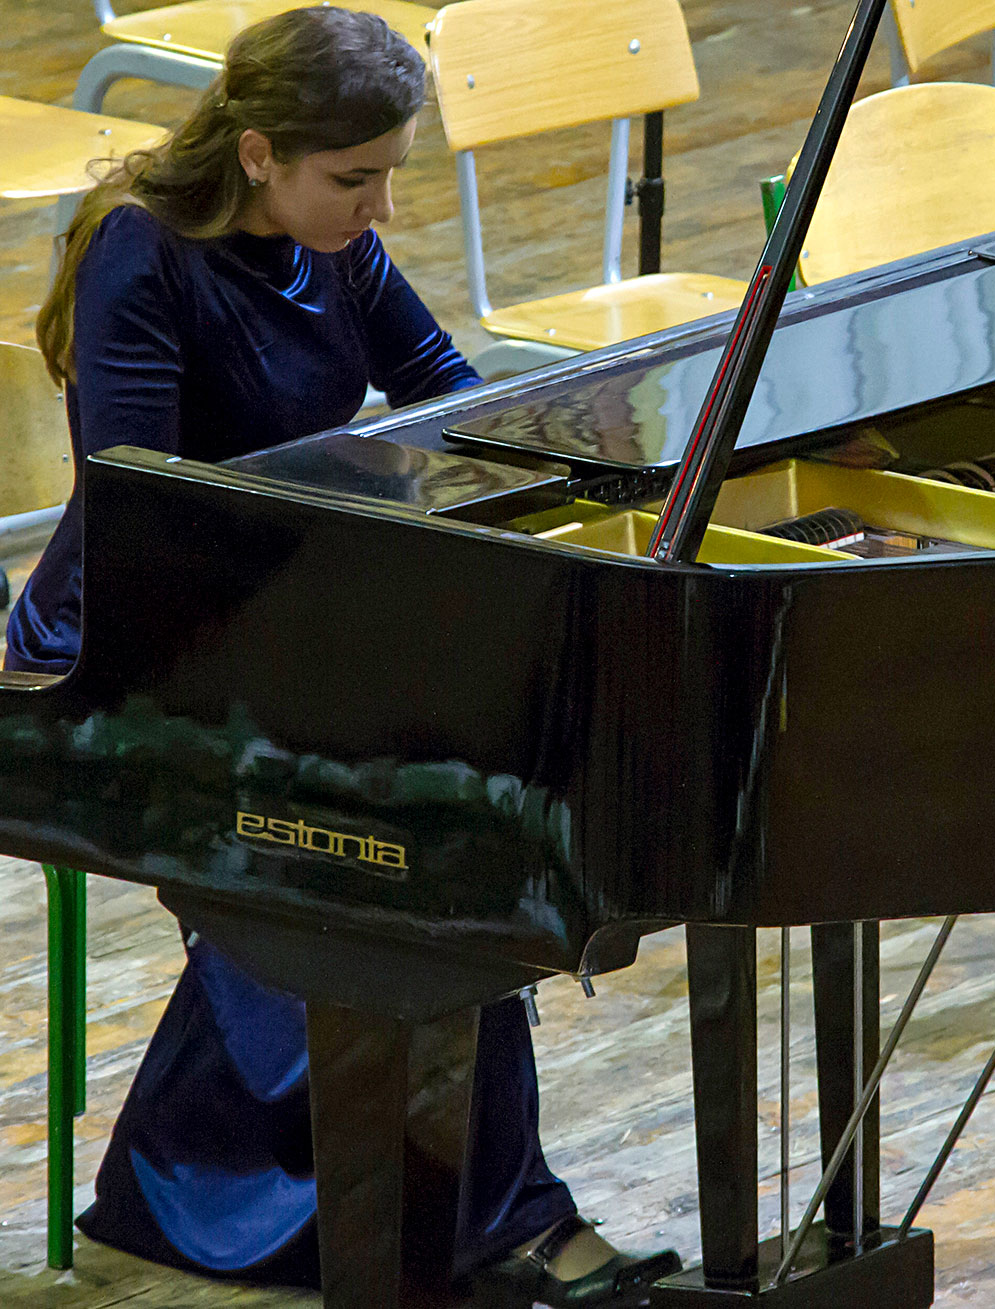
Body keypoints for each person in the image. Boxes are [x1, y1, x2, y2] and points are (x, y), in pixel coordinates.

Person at [9, 8, 679, 1304]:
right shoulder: (140, 256)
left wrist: (578, 456)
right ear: (259, 152)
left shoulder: (339, 249)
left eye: (390, 176)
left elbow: (451, 391)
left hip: (282, 619)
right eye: (351, 178)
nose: (376, 207)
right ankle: (479, 1211)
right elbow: (144, 513)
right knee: (411, 823)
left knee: (469, 794)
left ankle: (444, 1197)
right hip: (130, 653)